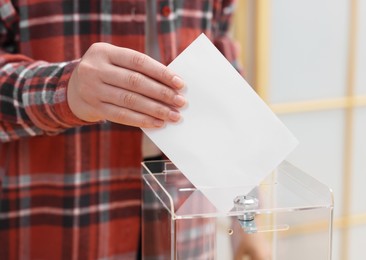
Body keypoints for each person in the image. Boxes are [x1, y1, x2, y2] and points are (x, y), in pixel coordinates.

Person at [0, 0, 263, 259]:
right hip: (61, 213)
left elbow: (224, 75)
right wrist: (63, 90)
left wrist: (248, 217)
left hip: (185, 218)